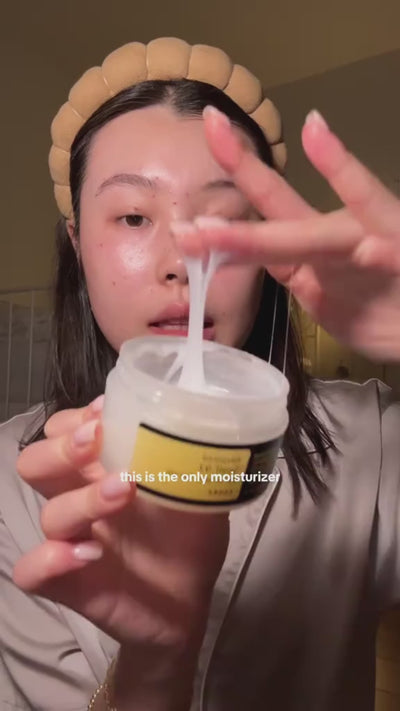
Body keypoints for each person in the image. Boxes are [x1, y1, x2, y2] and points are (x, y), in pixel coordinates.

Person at [1, 36, 399, 711]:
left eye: (224, 219)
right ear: (77, 242)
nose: (184, 263)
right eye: (133, 216)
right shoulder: (12, 485)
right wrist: (156, 664)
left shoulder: (373, 441)